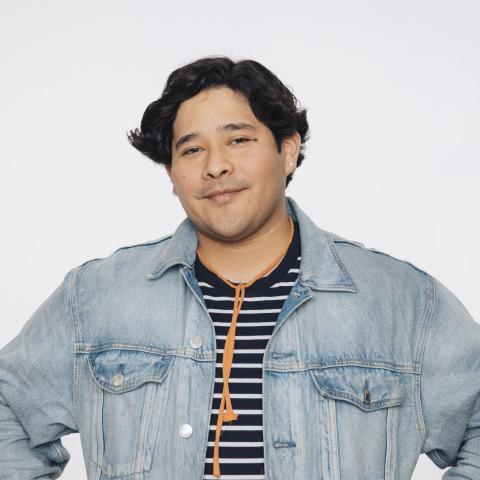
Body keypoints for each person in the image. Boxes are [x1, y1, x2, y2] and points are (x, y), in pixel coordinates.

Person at [0, 55, 479, 480]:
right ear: (171, 173)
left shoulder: (401, 301)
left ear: (287, 150)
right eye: (192, 150)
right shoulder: (97, 296)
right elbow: (9, 405)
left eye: (239, 140)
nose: (215, 166)